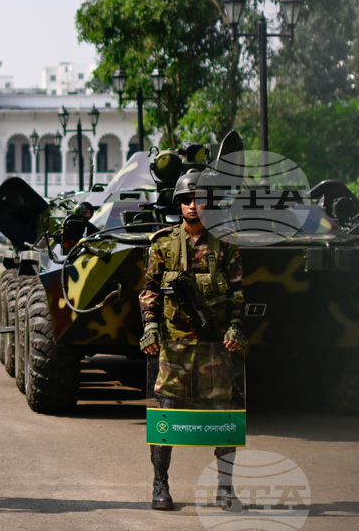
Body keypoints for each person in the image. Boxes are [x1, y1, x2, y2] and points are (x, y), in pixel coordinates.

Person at [138, 171, 246, 512]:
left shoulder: (226, 245)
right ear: (178, 204)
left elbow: (237, 296)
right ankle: (160, 485)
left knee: (224, 415)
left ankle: (225, 489)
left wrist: (235, 328)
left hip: (214, 344)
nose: (192, 206)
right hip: (174, 344)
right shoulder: (162, 244)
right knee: (166, 414)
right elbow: (149, 292)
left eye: (199, 199)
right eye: (186, 200)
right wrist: (150, 329)